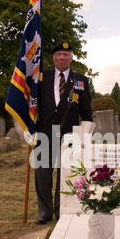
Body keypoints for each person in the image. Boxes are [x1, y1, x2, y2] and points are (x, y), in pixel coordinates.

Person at [33, 42, 93, 225]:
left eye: (66, 54)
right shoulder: (41, 77)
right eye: (59, 54)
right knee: (42, 174)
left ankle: (62, 210)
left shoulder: (81, 80)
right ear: (53, 57)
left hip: (69, 134)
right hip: (44, 132)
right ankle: (44, 212)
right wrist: (26, 129)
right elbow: (31, 104)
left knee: (65, 174)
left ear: (71, 57)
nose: (62, 58)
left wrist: (83, 137)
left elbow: (87, 112)